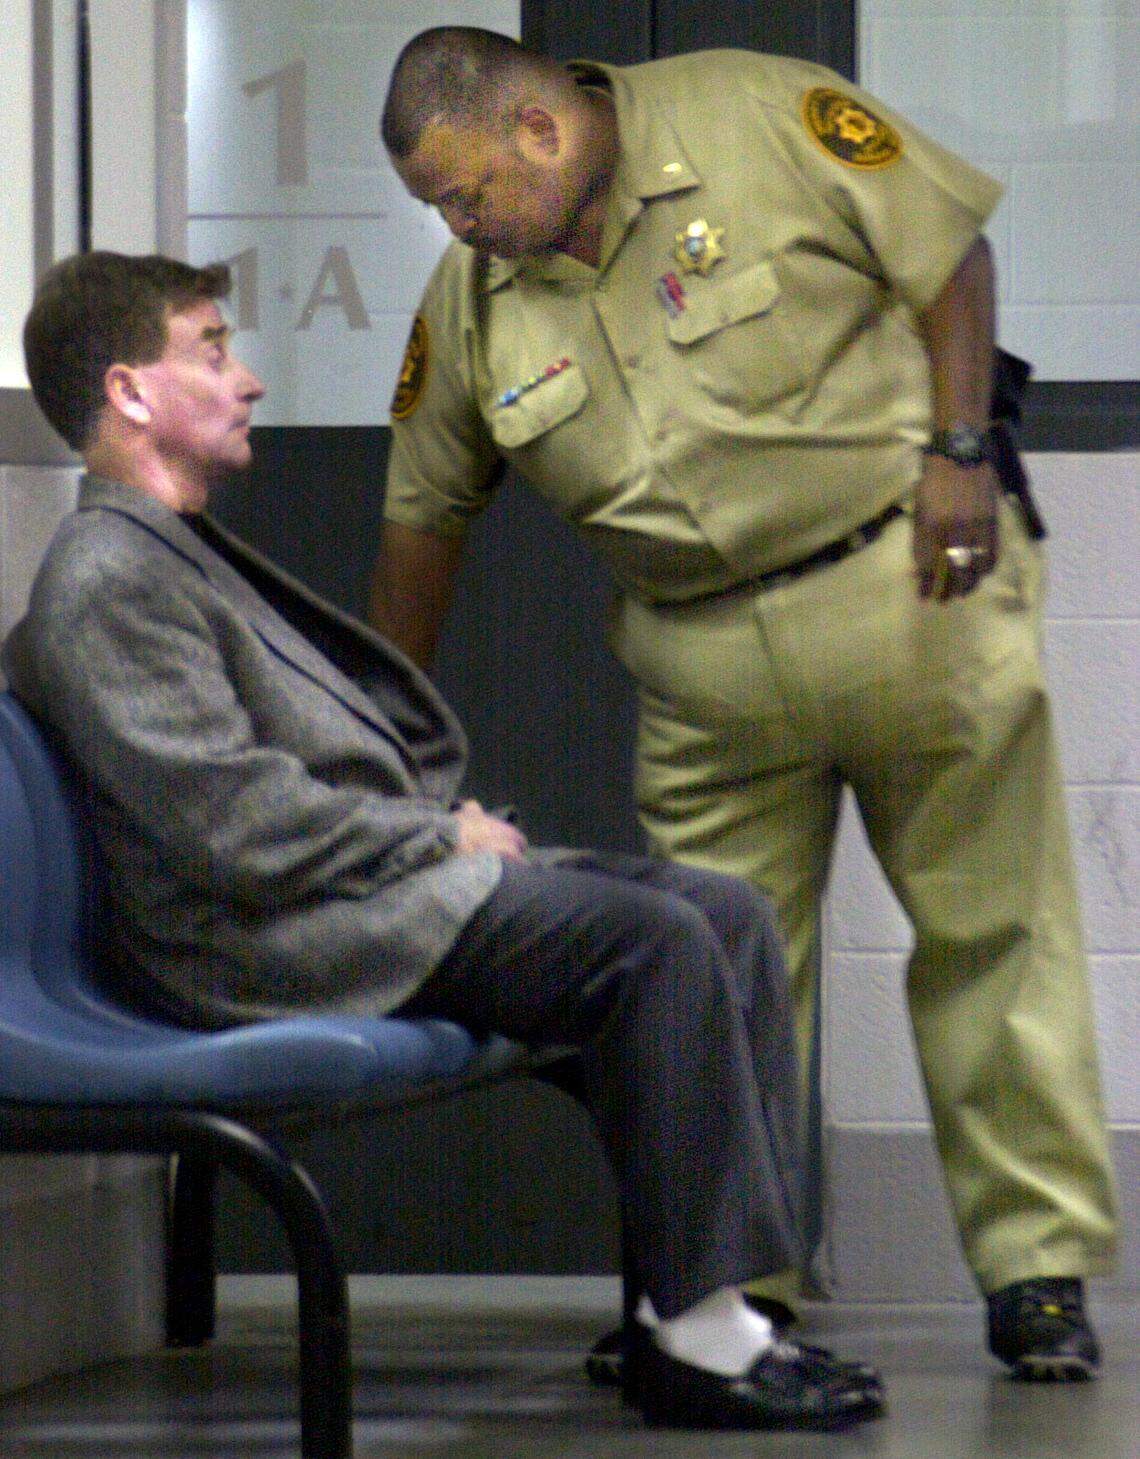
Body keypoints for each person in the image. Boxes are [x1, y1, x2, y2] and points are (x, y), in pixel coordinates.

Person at [3, 249, 889, 1433]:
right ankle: (699, 1341)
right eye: (212, 349)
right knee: (651, 944)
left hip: (324, 896)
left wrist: (431, 839)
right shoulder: (106, 575)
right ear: (129, 393)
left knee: (720, 914)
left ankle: (708, 1306)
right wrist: (433, 839)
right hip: (265, 940)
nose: (249, 378)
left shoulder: (166, 553)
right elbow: (229, 821)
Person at [372, 28, 1119, 1380]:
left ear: (539, 133)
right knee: (715, 981)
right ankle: (733, 1294)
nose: (460, 225)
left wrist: (960, 449)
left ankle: (1037, 1272)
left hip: (908, 586)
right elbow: (422, 522)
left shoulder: (756, 115)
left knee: (993, 928)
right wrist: (381, 743)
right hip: (701, 664)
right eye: (443, 207)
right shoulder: (476, 302)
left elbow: (948, 251)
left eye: (467, 193)